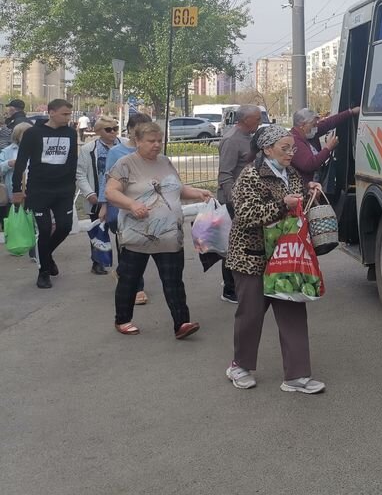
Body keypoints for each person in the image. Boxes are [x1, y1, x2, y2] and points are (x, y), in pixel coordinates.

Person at [225, 125, 325, 393]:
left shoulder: (289, 173)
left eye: (292, 147)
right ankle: (240, 366)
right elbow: (245, 214)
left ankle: (297, 376)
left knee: (293, 310)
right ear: (267, 149)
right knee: (251, 314)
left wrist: (309, 191)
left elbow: (298, 201)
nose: (292, 153)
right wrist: (283, 205)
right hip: (252, 257)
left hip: (286, 256)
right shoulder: (250, 175)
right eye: (285, 148)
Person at [104, 121, 211, 337]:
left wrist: (198, 192)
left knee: (173, 281)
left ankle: (182, 323)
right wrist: (132, 204)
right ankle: (122, 319)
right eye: (151, 141)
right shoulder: (126, 164)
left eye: (159, 141)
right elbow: (111, 192)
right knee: (130, 279)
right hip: (138, 235)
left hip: (170, 235)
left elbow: (176, 188)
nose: (156, 145)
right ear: (138, 141)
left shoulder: (164, 162)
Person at [12, 99, 78, 289]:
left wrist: (71, 186)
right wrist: (17, 190)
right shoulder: (33, 133)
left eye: (69, 114)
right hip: (39, 190)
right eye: (64, 114)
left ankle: (46, 256)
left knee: (65, 227)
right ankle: (44, 272)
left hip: (63, 190)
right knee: (45, 229)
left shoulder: (71, 134)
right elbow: (21, 162)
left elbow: (72, 161)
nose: (68, 118)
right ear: (51, 112)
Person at [215, 104, 262, 303]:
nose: (260, 122)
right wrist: (234, 200)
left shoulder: (249, 138)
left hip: (247, 200)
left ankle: (243, 282)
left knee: (245, 243)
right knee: (232, 244)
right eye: (257, 119)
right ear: (245, 120)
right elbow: (225, 174)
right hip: (233, 201)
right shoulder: (232, 140)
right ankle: (230, 289)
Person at [106, 113, 152, 305]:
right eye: (139, 129)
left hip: (146, 206)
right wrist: (104, 205)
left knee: (142, 245)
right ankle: (136, 287)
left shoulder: (152, 150)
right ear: (131, 130)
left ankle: (122, 273)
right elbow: (108, 181)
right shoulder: (116, 152)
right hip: (122, 206)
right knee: (128, 246)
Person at [76, 114, 124, 275]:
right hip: (97, 196)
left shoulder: (124, 145)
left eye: (115, 129)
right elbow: (80, 174)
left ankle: (124, 263)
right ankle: (98, 261)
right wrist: (89, 193)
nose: (113, 132)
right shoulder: (88, 149)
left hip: (121, 196)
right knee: (99, 230)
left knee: (122, 230)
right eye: (108, 129)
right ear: (98, 131)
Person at [289, 106, 360, 187]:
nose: (316, 127)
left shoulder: (308, 133)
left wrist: (351, 112)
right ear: (302, 125)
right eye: (314, 125)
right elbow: (309, 164)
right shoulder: (294, 141)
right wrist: (328, 148)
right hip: (304, 188)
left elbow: (329, 123)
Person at [0, 122, 33, 242]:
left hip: (34, 188)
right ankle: (16, 241)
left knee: (32, 217)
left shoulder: (37, 149)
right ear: (17, 135)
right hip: (15, 190)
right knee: (16, 217)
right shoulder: (8, 151)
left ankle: (32, 242)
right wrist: (8, 163)